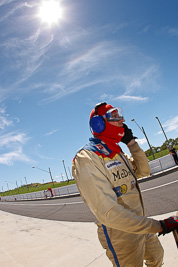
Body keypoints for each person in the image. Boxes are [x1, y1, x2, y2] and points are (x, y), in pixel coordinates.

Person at [72, 102, 178, 267]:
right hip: (120, 234)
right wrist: (159, 226)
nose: (122, 120)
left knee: (157, 257)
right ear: (98, 124)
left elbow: (144, 171)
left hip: (141, 224)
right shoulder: (87, 157)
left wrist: (131, 144)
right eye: (114, 116)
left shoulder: (117, 152)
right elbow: (108, 213)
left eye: (120, 114)